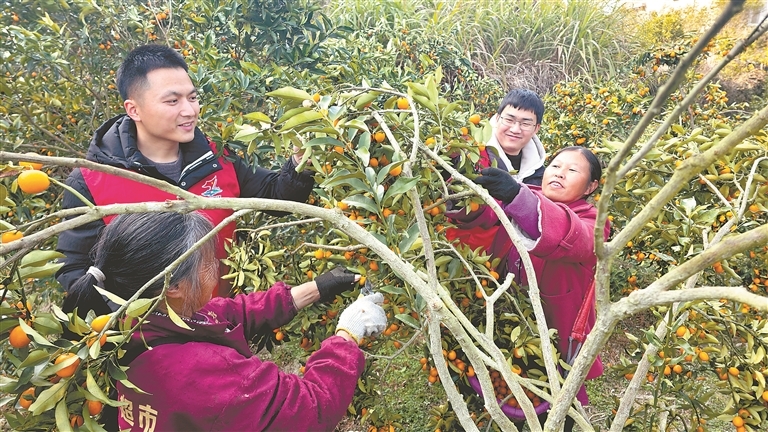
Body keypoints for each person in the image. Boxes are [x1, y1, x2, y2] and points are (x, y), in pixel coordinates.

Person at [64, 212, 387, 431]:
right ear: (173, 285)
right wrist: (348, 334)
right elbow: (311, 410)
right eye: (207, 264)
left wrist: (315, 289)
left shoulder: (120, 327)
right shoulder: (201, 372)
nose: (217, 269)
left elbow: (229, 312)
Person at [56, 44, 315, 300]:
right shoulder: (92, 180)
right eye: (172, 101)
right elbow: (74, 271)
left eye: (192, 98)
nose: (189, 111)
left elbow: (276, 198)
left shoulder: (217, 157)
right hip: (147, 336)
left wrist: (300, 163)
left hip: (221, 321)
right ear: (134, 109)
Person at [450, 146, 608, 429]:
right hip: (506, 327)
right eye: (556, 166)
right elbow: (480, 215)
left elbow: (570, 234)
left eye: (572, 170)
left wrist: (515, 196)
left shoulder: (594, 222)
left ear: (591, 186)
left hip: (555, 336)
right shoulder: (526, 195)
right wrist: (457, 186)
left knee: (554, 408)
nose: (559, 173)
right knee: (496, 395)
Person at [445, 88, 547, 251]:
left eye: (526, 123)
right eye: (509, 119)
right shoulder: (467, 151)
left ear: (536, 128)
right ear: (498, 118)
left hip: (504, 268)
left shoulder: (540, 175)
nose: (515, 129)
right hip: (458, 256)